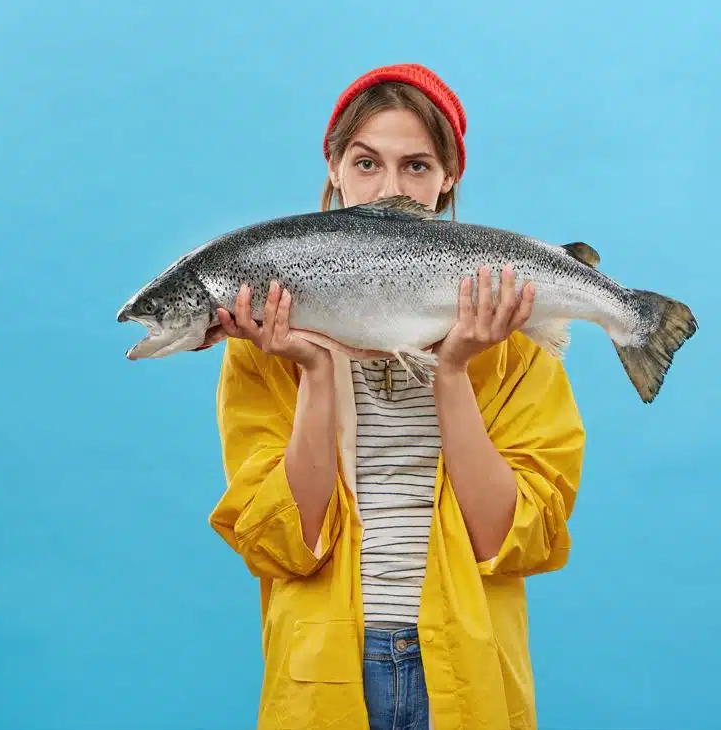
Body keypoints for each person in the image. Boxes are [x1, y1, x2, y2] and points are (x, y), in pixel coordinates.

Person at [201, 63, 586, 730]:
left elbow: (507, 541)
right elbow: (291, 544)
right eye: (366, 162)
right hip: (324, 672)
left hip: (464, 671)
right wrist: (317, 372)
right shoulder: (263, 340)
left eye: (416, 166)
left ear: (448, 178)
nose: (387, 187)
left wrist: (456, 372)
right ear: (332, 163)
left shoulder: (514, 341)